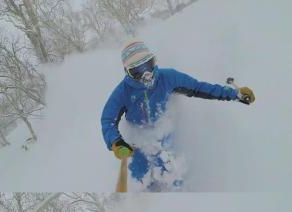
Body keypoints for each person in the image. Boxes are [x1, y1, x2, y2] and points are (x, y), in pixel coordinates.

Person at [101, 41, 255, 191]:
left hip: (163, 130)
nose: (146, 75)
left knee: (170, 171)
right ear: (128, 72)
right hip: (138, 139)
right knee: (140, 177)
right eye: (137, 71)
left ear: (154, 61)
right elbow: (108, 119)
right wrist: (116, 142)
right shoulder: (122, 92)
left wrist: (234, 94)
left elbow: (199, 87)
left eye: (148, 65)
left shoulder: (168, 77)